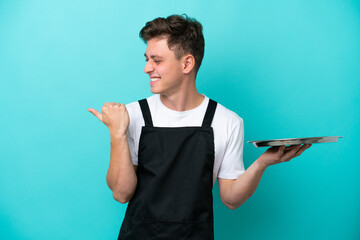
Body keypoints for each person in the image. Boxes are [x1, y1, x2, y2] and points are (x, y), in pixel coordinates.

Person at [88, 14, 312, 240]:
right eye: (146, 59)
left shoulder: (226, 121)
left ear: (187, 63)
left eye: (157, 60)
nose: (147, 68)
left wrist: (263, 162)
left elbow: (231, 199)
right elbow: (121, 193)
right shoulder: (132, 115)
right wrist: (117, 133)